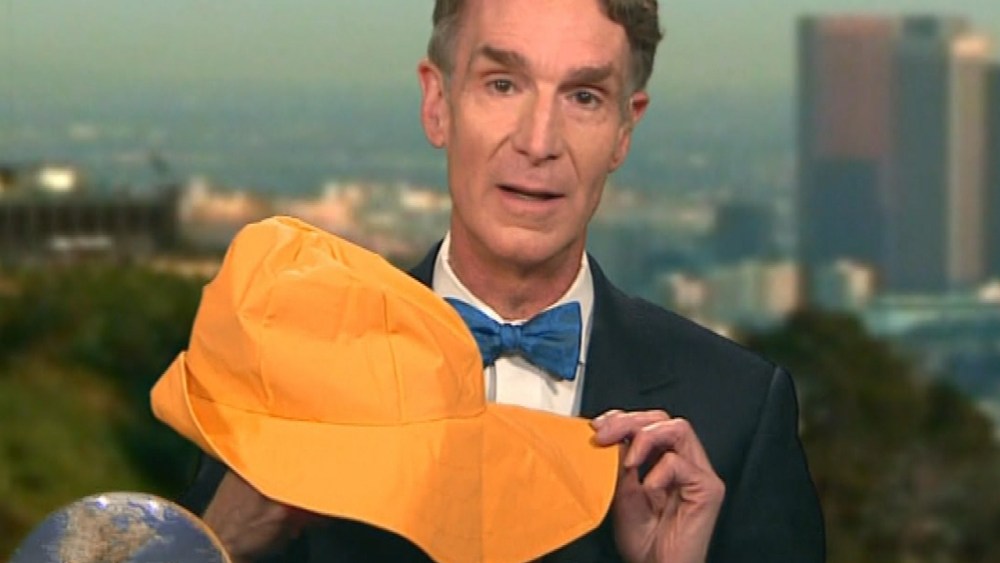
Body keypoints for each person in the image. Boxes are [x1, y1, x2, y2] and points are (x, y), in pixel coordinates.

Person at [180, 0, 826, 561]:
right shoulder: (295, 368)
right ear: (438, 104)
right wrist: (221, 540)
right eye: (502, 84)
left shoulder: (737, 411)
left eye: (583, 96)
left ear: (624, 131)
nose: (538, 141)